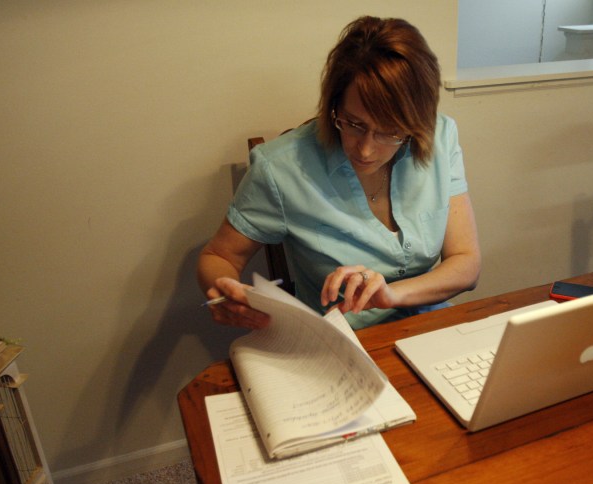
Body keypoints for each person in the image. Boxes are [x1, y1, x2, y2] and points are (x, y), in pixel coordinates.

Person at [197, 15, 481, 330]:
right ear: (334, 105)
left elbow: (466, 263)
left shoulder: (440, 136)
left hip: (431, 328)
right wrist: (227, 292)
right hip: (342, 342)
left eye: (390, 132)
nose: (365, 150)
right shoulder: (281, 167)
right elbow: (218, 257)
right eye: (354, 123)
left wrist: (391, 294)